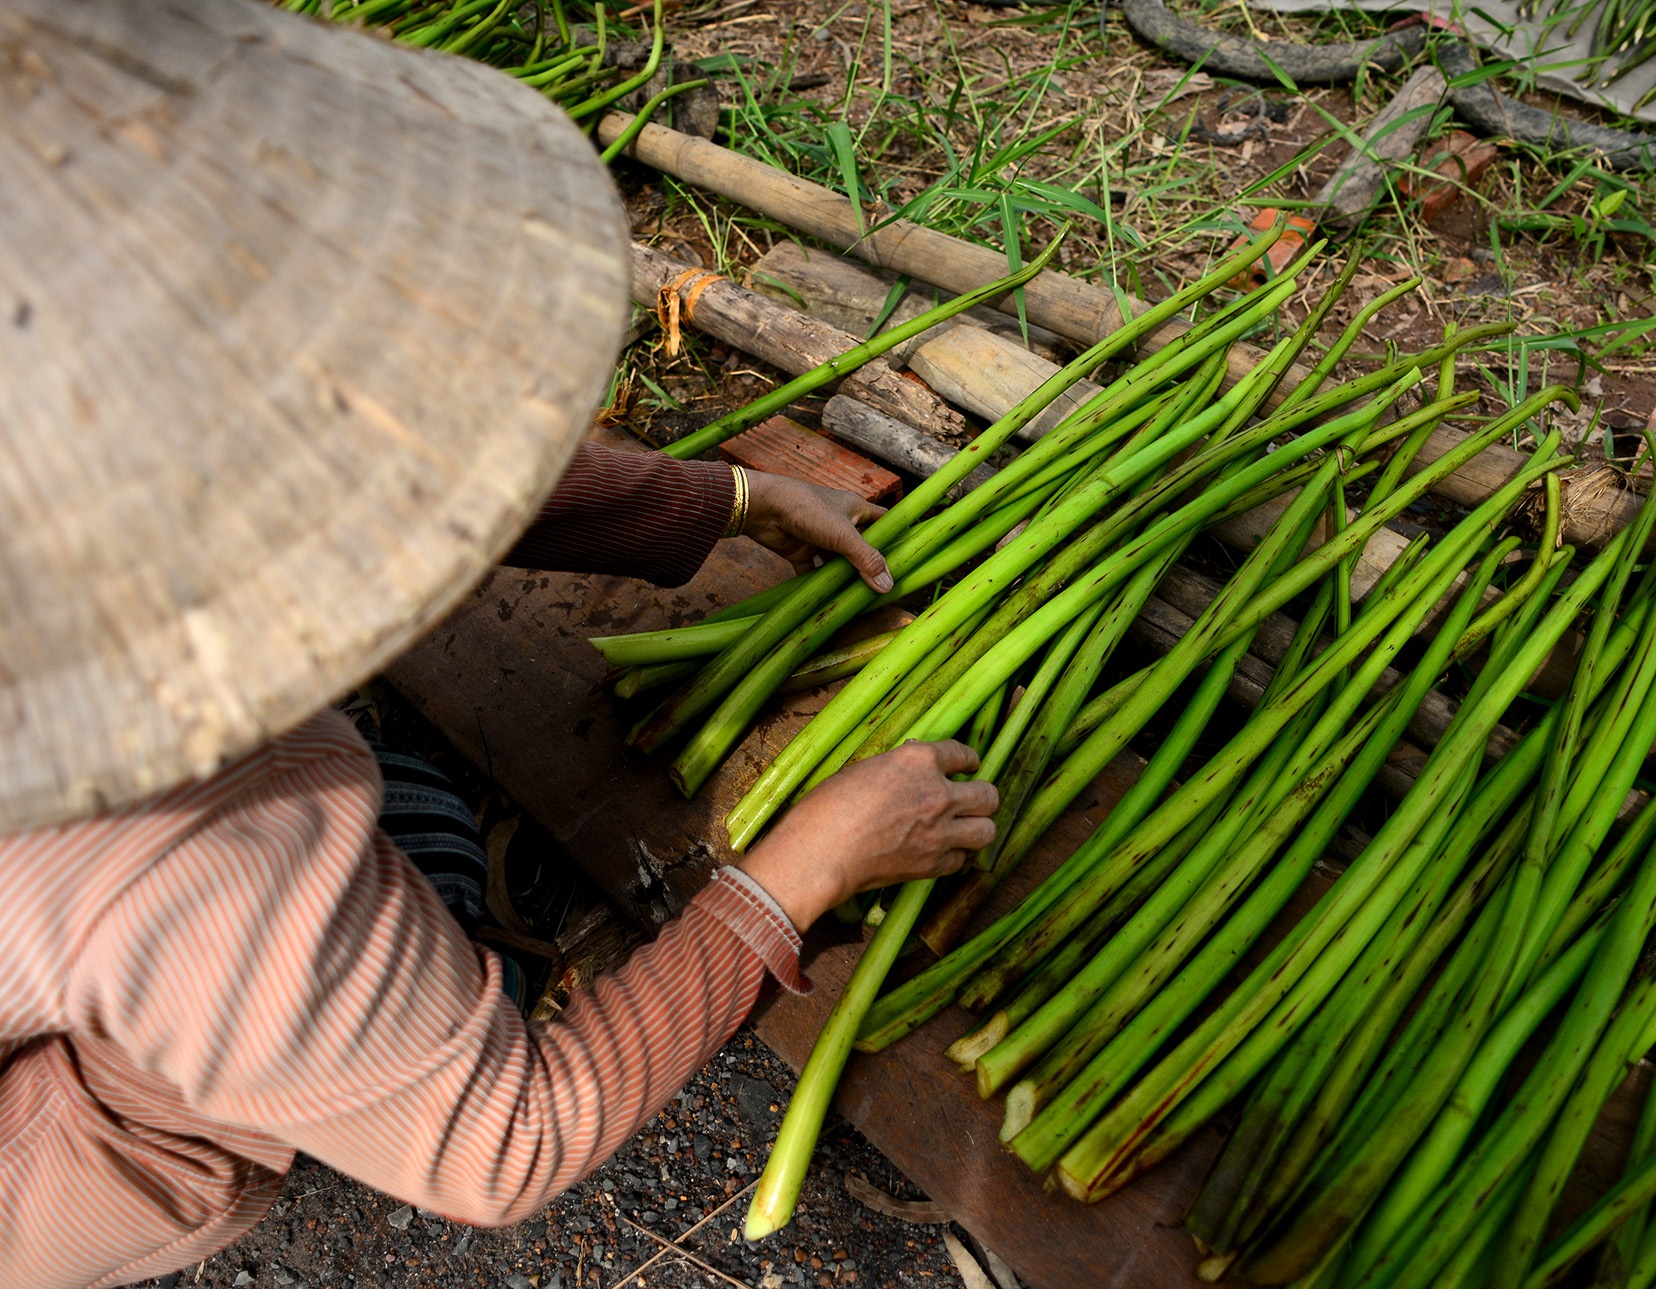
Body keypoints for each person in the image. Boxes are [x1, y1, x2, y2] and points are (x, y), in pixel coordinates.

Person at [0, 2, 998, 1285]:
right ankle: (200, 1111)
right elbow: (503, 1144)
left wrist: (722, 500)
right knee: (405, 877)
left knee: (382, 833)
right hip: (46, 1152)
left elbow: (330, 471)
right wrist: (800, 869)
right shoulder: (193, 855)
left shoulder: (66, 466)